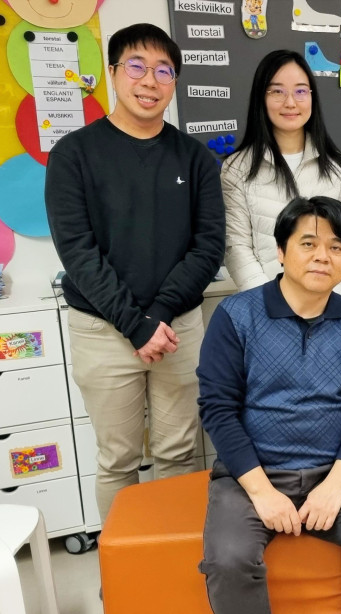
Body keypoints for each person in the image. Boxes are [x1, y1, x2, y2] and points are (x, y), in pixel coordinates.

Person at [44, 23, 225, 522]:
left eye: (164, 71)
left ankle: (174, 557)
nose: (149, 81)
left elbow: (208, 246)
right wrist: (135, 324)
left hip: (177, 328)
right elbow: (78, 252)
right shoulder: (73, 155)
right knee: (117, 459)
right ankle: (123, 561)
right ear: (113, 72)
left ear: (175, 82)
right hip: (103, 330)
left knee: (179, 453)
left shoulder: (195, 157)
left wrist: (158, 316)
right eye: (137, 66)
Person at [198, 196, 341, 614]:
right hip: (249, 476)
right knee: (229, 559)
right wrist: (262, 492)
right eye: (308, 244)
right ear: (281, 251)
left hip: (331, 472)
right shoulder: (236, 316)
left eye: (336, 247)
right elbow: (218, 410)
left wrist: (335, 485)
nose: (322, 256)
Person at [222, 49, 341, 298]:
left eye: (300, 91)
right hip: (265, 306)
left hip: (329, 308)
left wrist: (332, 305)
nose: (290, 102)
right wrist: (269, 306)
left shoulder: (340, 170)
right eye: (277, 91)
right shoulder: (237, 169)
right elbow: (236, 246)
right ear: (261, 97)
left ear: (312, 97)